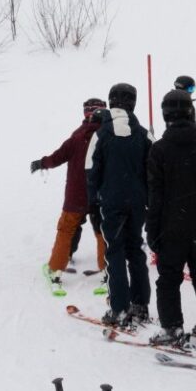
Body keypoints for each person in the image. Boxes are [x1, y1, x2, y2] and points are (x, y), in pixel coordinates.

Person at [146, 89, 196, 346]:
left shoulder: (160, 150)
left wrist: (152, 229)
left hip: (172, 225)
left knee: (169, 277)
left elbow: (155, 195)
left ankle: (172, 328)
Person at [90, 84, 151, 327]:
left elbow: (91, 171)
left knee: (114, 252)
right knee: (135, 249)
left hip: (112, 202)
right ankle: (140, 304)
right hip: (137, 203)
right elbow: (154, 170)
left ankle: (119, 308)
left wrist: (93, 204)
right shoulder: (144, 134)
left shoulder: (101, 133)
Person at [32, 98, 105, 290]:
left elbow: (57, 157)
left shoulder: (78, 136)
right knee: (102, 232)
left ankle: (55, 270)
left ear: (85, 114)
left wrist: (41, 163)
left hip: (76, 195)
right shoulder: (108, 135)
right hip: (101, 194)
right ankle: (108, 271)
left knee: (66, 230)